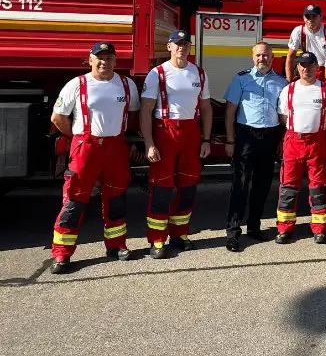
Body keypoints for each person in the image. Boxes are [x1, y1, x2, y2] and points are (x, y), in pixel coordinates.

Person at [48, 42, 140, 274]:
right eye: (99, 57)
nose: (104, 62)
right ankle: (61, 254)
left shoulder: (126, 85)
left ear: (115, 61)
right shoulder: (76, 85)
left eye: (109, 58)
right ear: (90, 60)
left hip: (115, 148)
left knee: (116, 198)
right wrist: (79, 138)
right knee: (74, 201)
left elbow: (133, 115)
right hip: (85, 148)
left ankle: (117, 245)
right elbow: (57, 118)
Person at [140, 30, 212, 259]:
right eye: (178, 43)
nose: (182, 47)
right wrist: (149, 143)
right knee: (161, 188)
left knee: (188, 187)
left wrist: (206, 139)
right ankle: (157, 240)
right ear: (169, 46)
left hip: (191, 134)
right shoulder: (157, 73)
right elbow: (145, 110)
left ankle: (180, 234)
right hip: (165, 133)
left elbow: (207, 108)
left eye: (186, 43)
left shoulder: (198, 73)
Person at [222, 42, 287, 252]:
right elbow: (230, 111)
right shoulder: (241, 79)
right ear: (252, 57)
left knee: (262, 185)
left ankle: (254, 226)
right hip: (246, 136)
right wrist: (230, 140)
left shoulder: (281, 82)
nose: (262, 59)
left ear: (272, 57)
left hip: (269, 136)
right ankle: (233, 232)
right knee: (240, 185)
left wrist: (280, 141)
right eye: (259, 55)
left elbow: (284, 115)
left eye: (266, 55)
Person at [277, 52, 326, 245]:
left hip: (317, 143)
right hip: (294, 142)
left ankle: (319, 229)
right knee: (288, 188)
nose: (306, 69)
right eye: (302, 65)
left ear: (317, 67)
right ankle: (284, 229)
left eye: (310, 65)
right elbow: (283, 117)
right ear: (297, 67)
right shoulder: (289, 90)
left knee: (318, 188)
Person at [285, 4, 326, 82]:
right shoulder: (299, 32)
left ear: (321, 17)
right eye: (308, 17)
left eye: (314, 16)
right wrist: (289, 79)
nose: (311, 20)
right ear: (304, 18)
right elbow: (290, 57)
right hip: (310, 70)